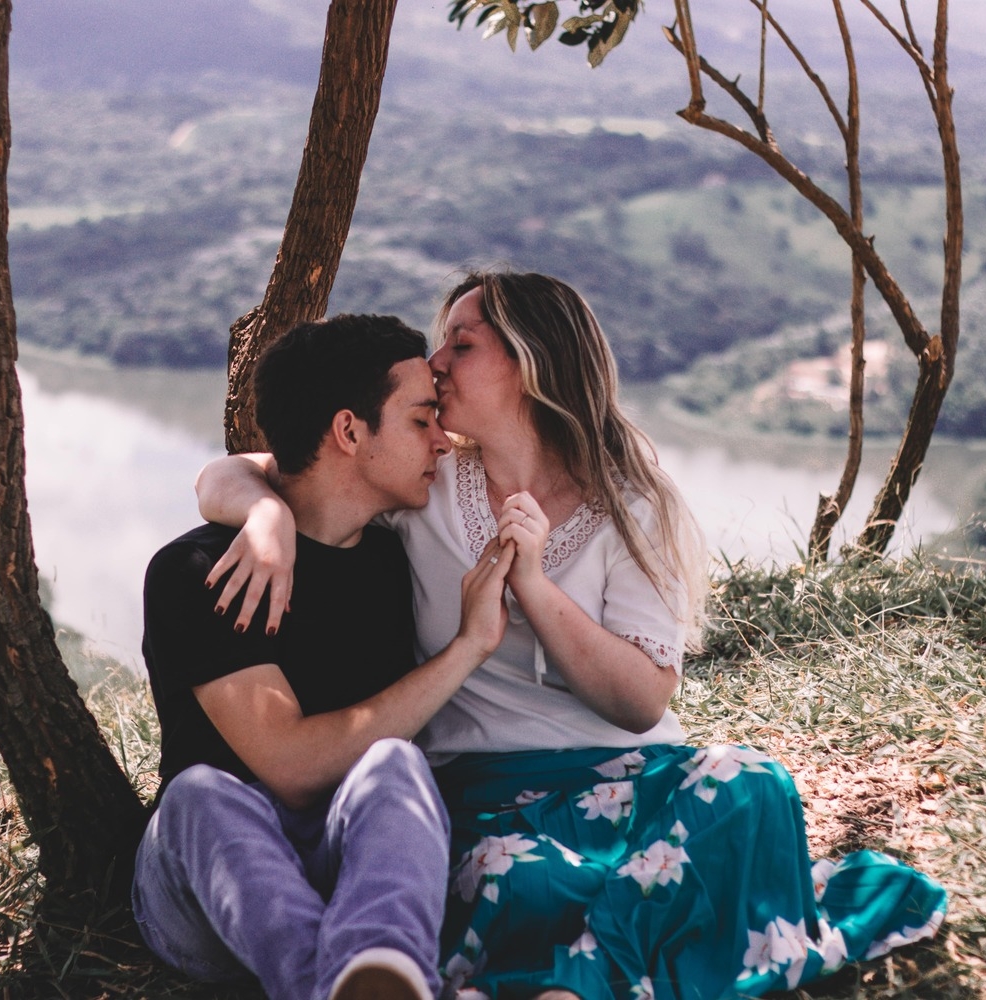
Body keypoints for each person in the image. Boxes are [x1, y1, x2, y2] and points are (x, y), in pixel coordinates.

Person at [196, 271, 948, 1000]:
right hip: (480, 792)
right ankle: (602, 972)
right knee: (513, 877)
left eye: (462, 344)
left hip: (635, 775)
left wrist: (533, 586)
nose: (436, 362)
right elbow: (248, 472)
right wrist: (267, 518)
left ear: (531, 363)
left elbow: (640, 702)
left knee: (751, 787)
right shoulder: (419, 486)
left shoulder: (630, 502)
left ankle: (575, 986)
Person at [133, 313, 519, 1000]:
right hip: (204, 898)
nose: (444, 439)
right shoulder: (199, 571)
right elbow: (296, 769)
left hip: (342, 865)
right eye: (421, 420)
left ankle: (372, 974)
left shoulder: (399, 550)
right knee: (200, 794)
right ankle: (340, 984)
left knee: (396, 763)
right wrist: (468, 649)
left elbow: (231, 471)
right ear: (348, 431)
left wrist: (266, 507)